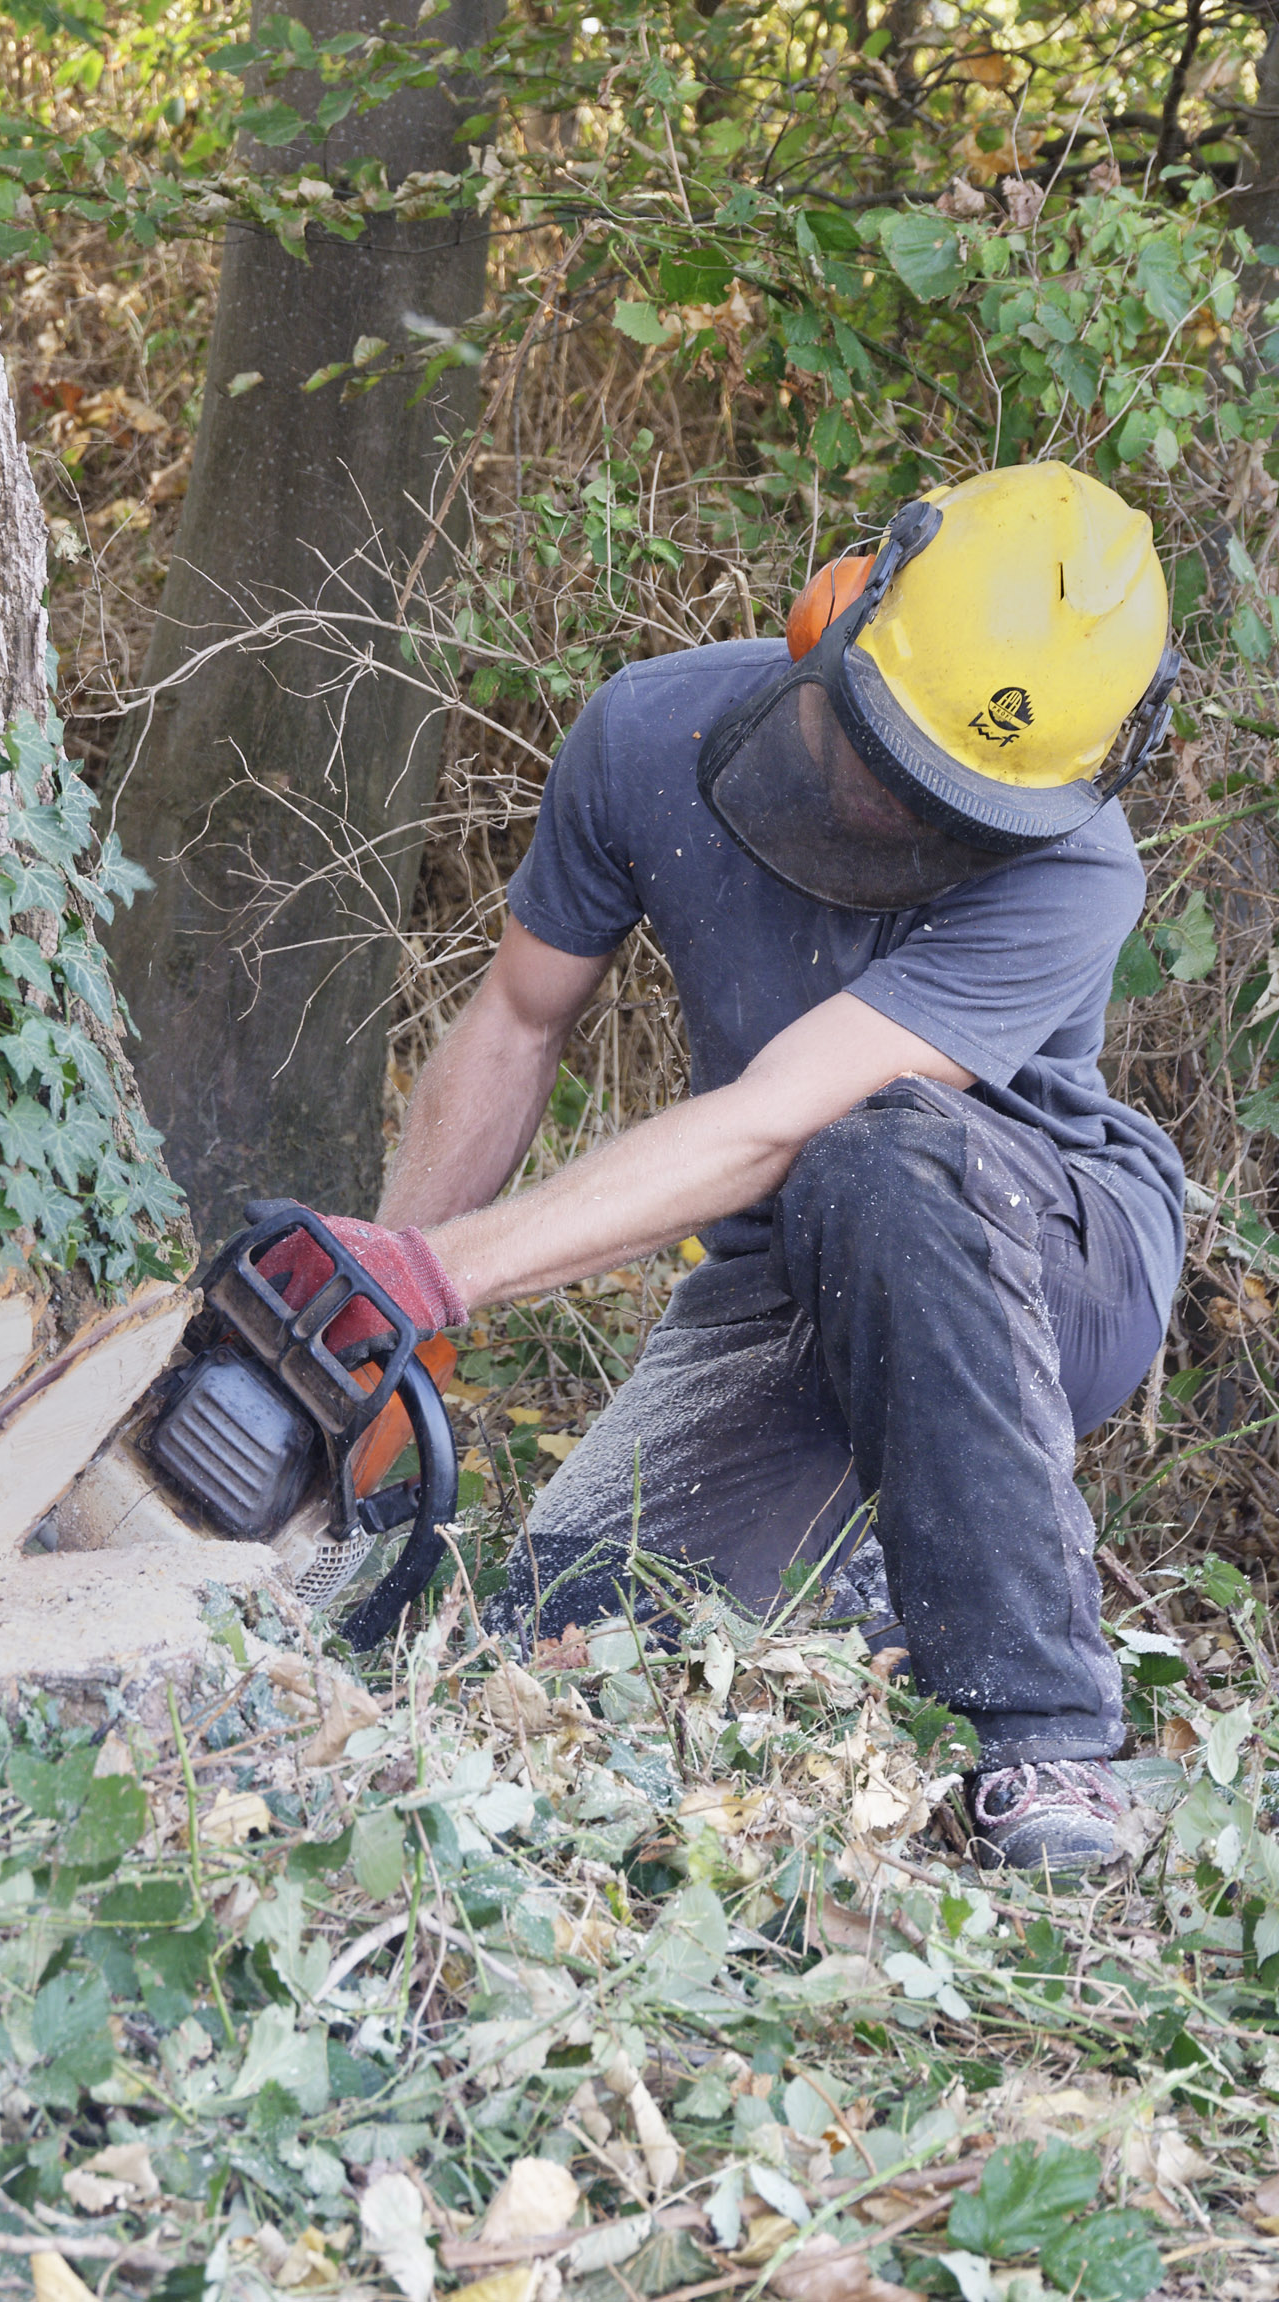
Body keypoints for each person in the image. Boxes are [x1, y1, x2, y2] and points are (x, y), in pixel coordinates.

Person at [260, 462, 1187, 1871]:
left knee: (879, 1154)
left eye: (958, 807)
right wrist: (375, 1341)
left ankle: (1043, 1733)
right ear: (837, 612)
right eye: (889, 758)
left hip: (1044, 1254)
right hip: (781, 1275)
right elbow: (515, 1021)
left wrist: (440, 1273)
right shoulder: (651, 730)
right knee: (563, 1639)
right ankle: (867, 1588)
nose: (903, 816)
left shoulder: (1079, 871)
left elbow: (782, 1119)